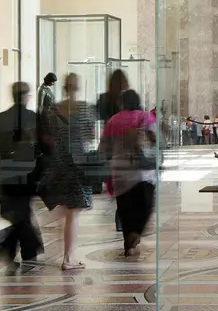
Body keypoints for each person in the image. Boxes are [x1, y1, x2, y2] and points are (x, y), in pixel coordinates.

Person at [42, 72, 96, 271]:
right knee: (74, 212)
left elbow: (49, 137)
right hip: (78, 163)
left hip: (59, 163)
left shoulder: (53, 109)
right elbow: (90, 136)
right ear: (77, 87)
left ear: (64, 87)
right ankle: (68, 258)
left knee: (69, 210)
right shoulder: (84, 109)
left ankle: (68, 254)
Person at [0, 82, 43, 270]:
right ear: (24, 96)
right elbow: (39, 147)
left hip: (7, 173)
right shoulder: (32, 118)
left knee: (20, 213)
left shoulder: (2, 117)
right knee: (21, 214)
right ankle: (22, 249)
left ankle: (26, 249)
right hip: (27, 173)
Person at [100, 90, 157, 257]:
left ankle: (129, 244)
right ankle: (136, 233)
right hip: (142, 171)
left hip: (120, 172)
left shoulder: (113, 120)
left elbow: (105, 147)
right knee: (145, 206)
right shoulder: (146, 117)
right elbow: (156, 140)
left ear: (122, 103)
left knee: (126, 209)